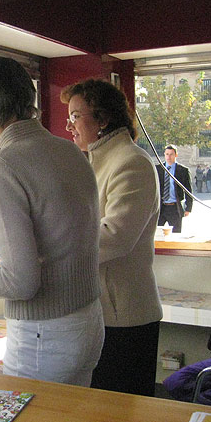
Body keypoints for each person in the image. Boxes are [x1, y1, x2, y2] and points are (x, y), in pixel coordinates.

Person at [0, 55, 104, 387]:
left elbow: (20, 282)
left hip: (46, 335)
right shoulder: (70, 151)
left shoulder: (3, 166)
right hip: (88, 321)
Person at [62, 78, 163, 396]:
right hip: (99, 311)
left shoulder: (132, 163)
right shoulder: (95, 162)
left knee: (124, 410)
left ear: (103, 119)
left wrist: (51, 241)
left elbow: (115, 236)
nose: (69, 126)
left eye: (76, 116)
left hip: (126, 317)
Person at [156, 144, 193, 233]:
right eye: (167, 154)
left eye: (171, 154)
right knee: (157, 234)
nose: (169, 157)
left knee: (176, 234)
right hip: (161, 207)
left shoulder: (182, 170)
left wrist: (188, 208)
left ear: (176, 155)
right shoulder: (158, 169)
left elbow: (188, 190)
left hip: (175, 208)